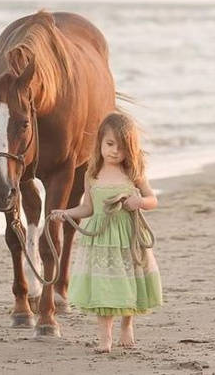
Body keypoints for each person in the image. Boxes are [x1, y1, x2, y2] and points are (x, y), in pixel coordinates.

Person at [51, 112, 162, 353]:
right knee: (104, 287)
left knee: (127, 283)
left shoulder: (134, 172)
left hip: (128, 236)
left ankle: (127, 325)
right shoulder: (92, 175)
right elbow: (88, 208)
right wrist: (66, 213)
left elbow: (153, 199)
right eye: (110, 144)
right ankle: (105, 339)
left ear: (130, 149)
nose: (114, 152)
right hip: (101, 238)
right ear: (100, 142)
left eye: (121, 148)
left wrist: (139, 202)